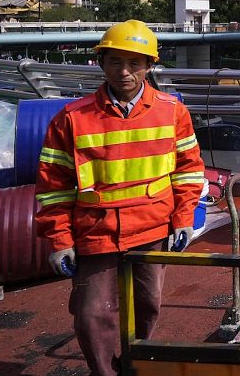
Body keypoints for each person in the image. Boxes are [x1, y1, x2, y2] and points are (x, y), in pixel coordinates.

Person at [35, 20, 205, 376]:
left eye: (135, 63)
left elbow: (188, 172)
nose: (124, 72)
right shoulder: (71, 119)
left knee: (148, 306)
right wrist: (59, 240)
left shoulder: (172, 112)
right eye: (115, 61)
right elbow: (54, 187)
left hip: (153, 229)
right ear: (101, 63)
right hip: (96, 234)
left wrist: (183, 219)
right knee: (92, 315)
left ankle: (135, 365)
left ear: (149, 66)